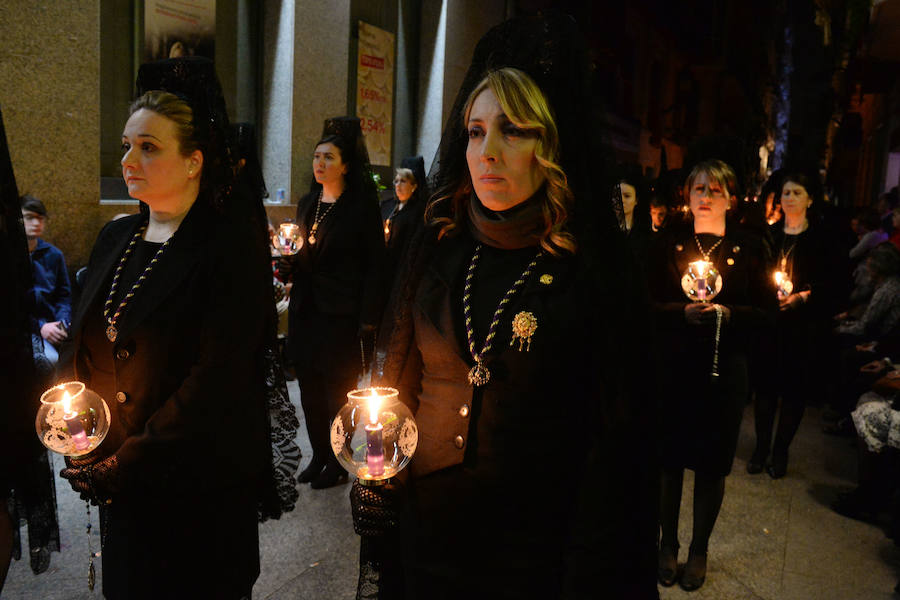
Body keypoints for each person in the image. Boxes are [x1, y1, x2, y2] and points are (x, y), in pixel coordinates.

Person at [357, 15, 659, 599]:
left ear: (550, 143)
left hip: (534, 553)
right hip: (430, 538)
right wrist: (379, 469)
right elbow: (398, 382)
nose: (487, 151)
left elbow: (616, 441)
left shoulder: (595, 271)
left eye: (512, 130)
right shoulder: (437, 249)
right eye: (474, 131)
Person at [57, 57, 276, 599]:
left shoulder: (228, 246)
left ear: (194, 161)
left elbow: (217, 378)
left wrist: (126, 460)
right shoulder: (117, 238)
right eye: (128, 145)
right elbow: (87, 340)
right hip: (124, 483)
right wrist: (79, 435)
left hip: (197, 485)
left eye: (149, 147)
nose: (129, 159)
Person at [647, 159, 773, 591]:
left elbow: (765, 312)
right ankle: (667, 544)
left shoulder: (749, 247)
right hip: (674, 367)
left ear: (730, 198)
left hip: (724, 371)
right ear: (687, 194)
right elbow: (644, 304)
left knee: (711, 464)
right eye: (698, 188)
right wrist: (677, 312)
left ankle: (699, 549)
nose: (704, 196)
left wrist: (727, 314)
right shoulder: (669, 243)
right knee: (669, 461)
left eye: (715, 190)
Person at [287, 117, 385, 489]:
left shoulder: (359, 207)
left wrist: (369, 318)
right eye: (316, 157)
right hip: (306, 309)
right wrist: (287, 259)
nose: (320, 164)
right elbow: (301, 252)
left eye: (328, 157)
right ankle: (319, 455)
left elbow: (376, 265)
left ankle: (339, 460)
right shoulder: (309, 202)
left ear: (345, 165)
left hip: (342, 313)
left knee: (336, 392)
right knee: (310, 389)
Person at [748, 170, 838, 478]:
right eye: (785, 193)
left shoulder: (821, 240)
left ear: (810, 199)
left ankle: (780, 450)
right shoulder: (772, 236)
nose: (789, 199)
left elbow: (833, 284)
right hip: (771, 326)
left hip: (802, 328)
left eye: (797, 193)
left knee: (793, 391)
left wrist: (803, 297)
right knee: (766, 389)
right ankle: (761, 448)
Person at [21, 195, 72, 364]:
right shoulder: (8, 256)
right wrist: (40, 327)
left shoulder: (54, 254)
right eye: (29, 218)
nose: (36, 223)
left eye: (40, 218)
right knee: (49, 361)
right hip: (23, 328)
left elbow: (64, 296)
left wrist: (62, 323)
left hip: (53, 325)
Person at [381, 156, 428, 275]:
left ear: (414, 186)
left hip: (402, 269)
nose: (398, 185)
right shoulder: (388, 205)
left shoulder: (418, 213)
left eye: (403, 181)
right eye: (396, 181)